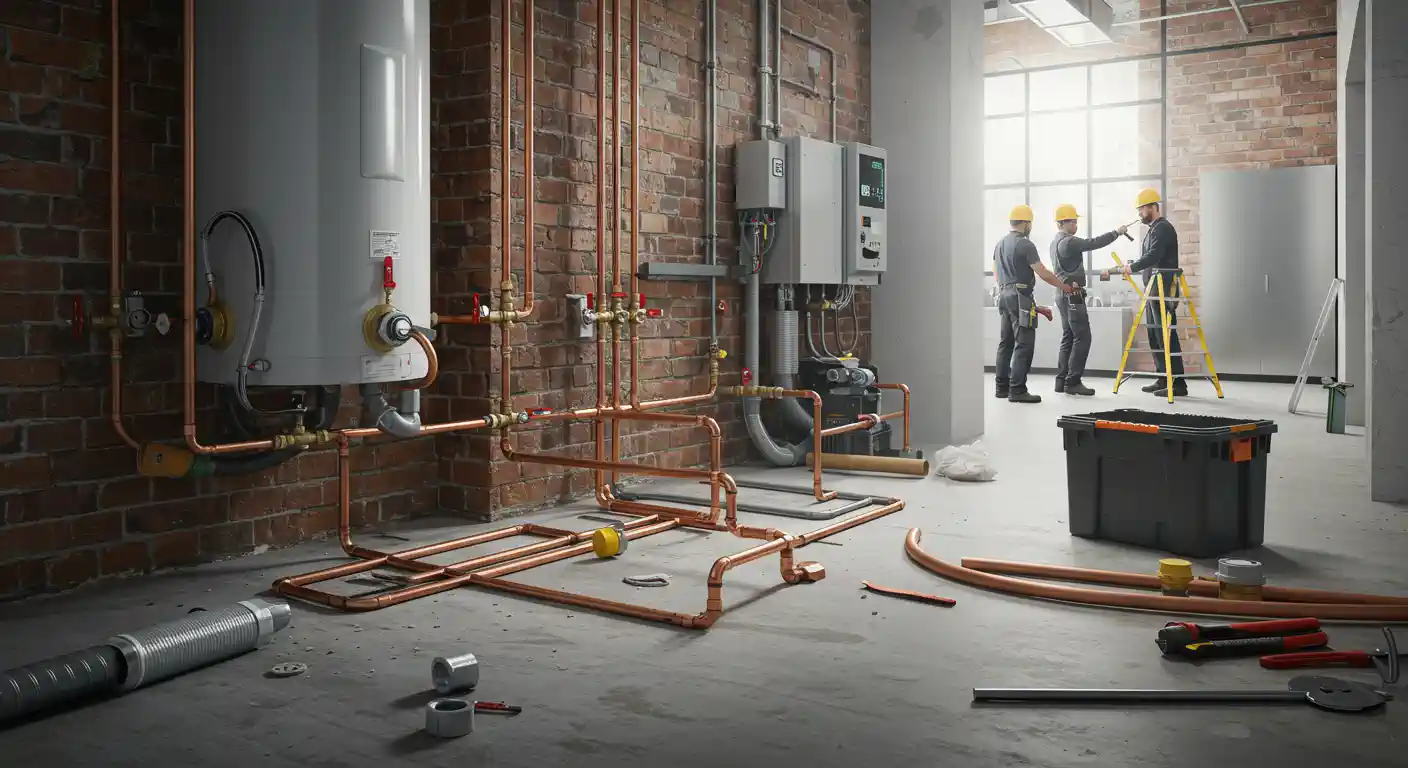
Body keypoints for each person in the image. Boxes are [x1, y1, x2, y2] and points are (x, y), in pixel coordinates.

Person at [1103, 188, 1186, 398]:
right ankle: (1162, 378)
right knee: (1154, 335)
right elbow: (1150, 258)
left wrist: (1132, 267)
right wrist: (1132, 264)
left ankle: (1177, 383)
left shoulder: (1163, 229)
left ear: (1153, 207)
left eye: (1142, 209)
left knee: (1166, 334)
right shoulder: (1153, 229)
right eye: (1139, 209)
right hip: (1152, 289)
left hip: (1163, 289)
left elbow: (1153, 255)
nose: (1139, 213)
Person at [992, 204, 1076, 404]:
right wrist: (1064, 286)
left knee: (1006, 343)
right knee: (1024, 343)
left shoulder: (1000, 244)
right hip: (1020, 295)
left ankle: (1001, 387)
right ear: (1026, 223)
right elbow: (1042, 272)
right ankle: (1017, 389)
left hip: (1004, 294)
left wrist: (1012, 292)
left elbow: (995, 272)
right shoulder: (1025, 244)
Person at [1049, 204, 1127, 396]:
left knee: (1068, 336)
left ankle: (1061, 381)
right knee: (1083, 337)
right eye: (1072, 221)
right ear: (1061, 223)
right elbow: (1093, 243)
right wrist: (1117, 232)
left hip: (1061, 293)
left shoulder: (1054, 242)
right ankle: (1073, 381)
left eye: (1076, 221)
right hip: (1073, 294)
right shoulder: (1069, 242)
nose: (1075, 224)